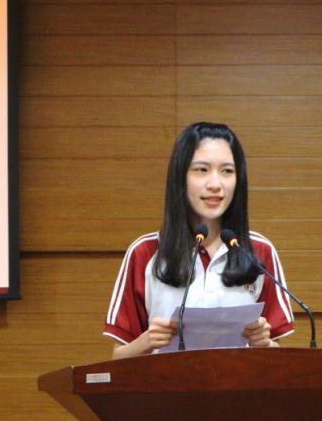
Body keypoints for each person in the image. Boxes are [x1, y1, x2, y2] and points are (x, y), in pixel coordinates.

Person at [104, 122, 295, 359]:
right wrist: (146, 342)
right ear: (180, 176)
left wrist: (265, 344)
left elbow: (279, 357)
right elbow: (118, 358)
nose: (215, 184)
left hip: (239, 383)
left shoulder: (259, 251)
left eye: (227, 171)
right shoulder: (144, 252)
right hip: (165, 383)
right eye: (202, 170)